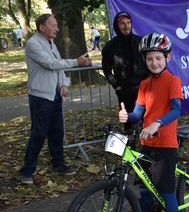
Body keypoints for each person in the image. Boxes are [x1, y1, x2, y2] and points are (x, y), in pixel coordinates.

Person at [118, 32, 184, 212]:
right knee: (145, 193)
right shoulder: (145, 84)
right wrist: (128, 116)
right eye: (149, 59)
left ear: (167, 58)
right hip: (146, 144)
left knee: (167, 193)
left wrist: (157, 123)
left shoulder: (173, 81)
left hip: (165, 146)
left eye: (158, 58)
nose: (154, 62)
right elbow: (138, 113)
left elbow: (176, 110)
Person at [20, 14, 92, 185]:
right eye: (53, 25)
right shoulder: (33, 44)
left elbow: (58, 67)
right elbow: (51, 64)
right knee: (39, 134)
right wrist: (76, 62)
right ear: (42, 27)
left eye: (57, 25)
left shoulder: (51, 43)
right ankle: (27, 171)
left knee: (57, 132)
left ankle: (58, 164)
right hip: (40, 97)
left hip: (55, 96)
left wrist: (64, 84)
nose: (57, 29)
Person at [102, 11, 148, 127]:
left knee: (146, 120)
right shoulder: (110, 46)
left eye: (128, 23)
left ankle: (146, 139)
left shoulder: (141, 42)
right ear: (117, 26)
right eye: (122, 23)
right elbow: (106, 68)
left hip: (142, 89)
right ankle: (129, 140)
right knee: (128, 122)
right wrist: (116, 85)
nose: (126, 26)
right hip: (124, 91)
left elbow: (149, 62)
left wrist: (148, 82)